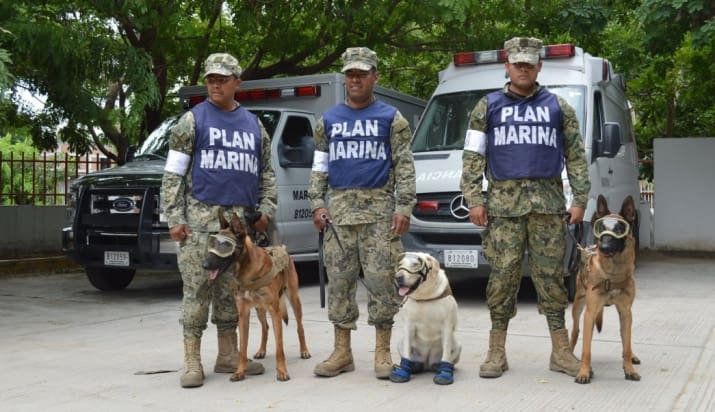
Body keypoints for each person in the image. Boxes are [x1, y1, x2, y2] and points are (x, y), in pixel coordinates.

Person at [460, 37, 591, 379]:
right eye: (517, 63)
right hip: (502, 209)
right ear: (507, 65)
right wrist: (474, 200)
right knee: (502, 280)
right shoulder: (486, 106)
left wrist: (579, 200)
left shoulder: (558, 107)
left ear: (538, 67)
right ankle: (496, 351)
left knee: (551, 280)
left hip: (548, 208)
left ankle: (561, 352)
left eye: (529, 63)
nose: (523, 68)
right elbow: (473, 157)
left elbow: (575, 156)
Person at [161, 52, 277, 388]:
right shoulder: (191, 121)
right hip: (198, 225)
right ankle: (192, 361)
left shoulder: (254, 125)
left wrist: (266, 208)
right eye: (211, 78)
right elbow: (173, 175)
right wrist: (174, 217)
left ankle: (228, 356)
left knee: (232, 293)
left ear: (237, 83)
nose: (215, 83)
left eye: (222, 79)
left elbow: (267, 173)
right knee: (196, 292)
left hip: (237, 230)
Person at [308, 47, 416, 379]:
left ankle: (382, 352)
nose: (355, 79)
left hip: (380, 217)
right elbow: (319, 168)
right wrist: (317, 203)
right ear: (345, 78)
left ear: (375, 77)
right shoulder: (328, 121)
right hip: (338, 218)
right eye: (350, 74)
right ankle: (342, 353)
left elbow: (404, 166)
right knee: (339, 284)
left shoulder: (391, 118)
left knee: (383, 285)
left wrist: (404, 206)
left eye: (362, 74)